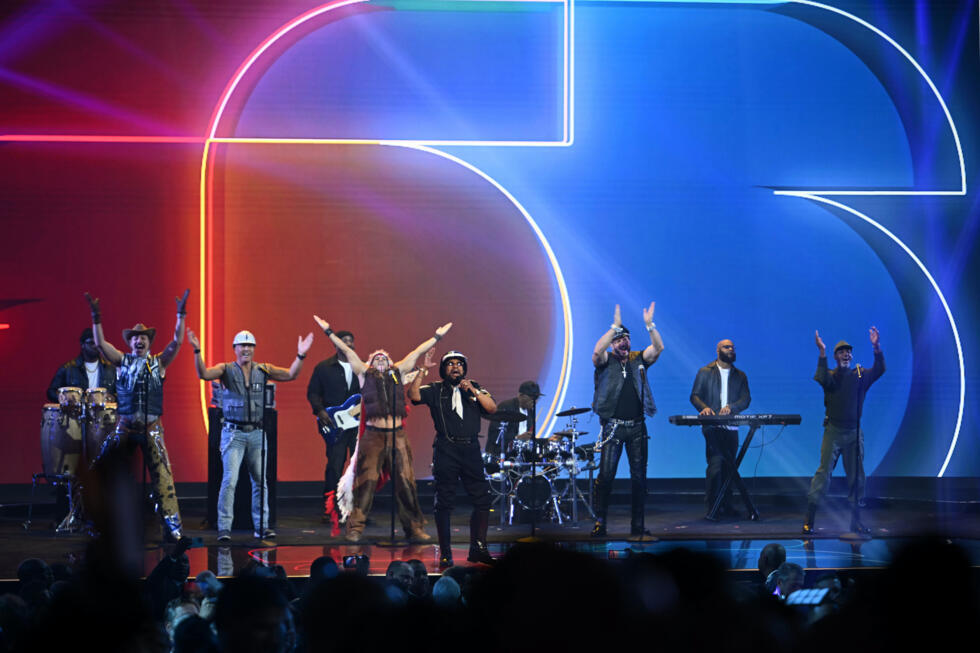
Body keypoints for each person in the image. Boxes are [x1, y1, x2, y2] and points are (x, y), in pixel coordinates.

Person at [313, 315, 449, 543]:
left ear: (390, 362)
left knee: (406, 482)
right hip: (373, 437)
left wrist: (437, 336)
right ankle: (355, 528)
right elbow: (347, 351)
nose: (381, 360)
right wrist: (328, 332)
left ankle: (414, 529)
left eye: (384, 358)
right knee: (365, 483)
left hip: (397, 437)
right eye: (376, 358)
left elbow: (417, 352)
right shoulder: (364, 374)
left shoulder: (398, 373)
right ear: (370, 363)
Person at [187, 328, 313, 541]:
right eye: (242, 345)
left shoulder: (263, 369)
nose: (246, 349)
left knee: (260, 482)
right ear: (235, 348)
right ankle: (224, 528)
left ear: (254, 349)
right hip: (233, 434)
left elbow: (291, 374)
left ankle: (262, 527)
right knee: (229, 481)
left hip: (256, 433)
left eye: (250, 345)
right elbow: (204, 374)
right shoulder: (225, 369)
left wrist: (301, 355)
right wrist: (197, 350)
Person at [84, 290, 188, 540]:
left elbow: (177, 342)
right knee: (107, 471)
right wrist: (96, 316)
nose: (139, 341)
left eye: (143, 338)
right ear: (130, 342)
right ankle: (101, 523)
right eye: (135, 338)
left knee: (163, 476)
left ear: (149, 342)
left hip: (152, 427)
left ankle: (172, 527)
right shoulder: (122, 361)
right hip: (126, 427)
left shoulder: (159, 363)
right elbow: (100, 344)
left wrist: (180, 315)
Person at [409, 350, 497, 568]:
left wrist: (474, 391)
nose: (455, 367)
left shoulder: (474, 387)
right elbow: (414, 396)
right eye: (450, 364)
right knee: (444, 502)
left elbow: (492, 408)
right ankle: (446, 553)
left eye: (459, 364)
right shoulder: (435, 389)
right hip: (446, 449)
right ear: (443, 369)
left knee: (482, 500)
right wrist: (421, 371)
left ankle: (479, 548)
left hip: (471, 449)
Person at [590, 303, 663, 537]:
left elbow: (658, 347)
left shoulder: (638, 359)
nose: (624, 342)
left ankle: (638, 525)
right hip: (613, 428)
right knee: (606, 477)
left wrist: (650, 324)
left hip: (637, 428)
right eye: (619, 339)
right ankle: (600, 523)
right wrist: (614, 327)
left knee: (639, 478)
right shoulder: (605, 361)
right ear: (613, 344)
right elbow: (596, 351)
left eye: (627, 338)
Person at [803, 328, 884, 535]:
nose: (846, 354)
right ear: (835, 356)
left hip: (854, 432)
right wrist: (821, 352)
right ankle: (809, 520)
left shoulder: (860, 374)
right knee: (823, 474)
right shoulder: (831, 376)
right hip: (834, 430)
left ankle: (855, 521)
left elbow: (879, 370)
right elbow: (820, 378)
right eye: (841, 352)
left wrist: (876, 347)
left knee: (857, 477)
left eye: (848, 352)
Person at [305, 329, 360, 533]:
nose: (348, 345)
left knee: (357, 467)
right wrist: (320, 411)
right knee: (335, 466)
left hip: (357, 426)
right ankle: (331, 508)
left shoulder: (361, 368)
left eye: (351, 341)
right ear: (336, 345)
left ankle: (356, 508)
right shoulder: (323, 368)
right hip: (334, 425)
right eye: (343, 341)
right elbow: (312, 393)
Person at [689, 339, 751, 520]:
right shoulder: (705, 372)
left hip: (731, 427)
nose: (731, 349)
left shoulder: (741, 375)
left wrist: (732, 407)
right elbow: (694, 396)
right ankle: (712, 507)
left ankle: (727, 506)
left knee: (730, 467)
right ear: (718, 351)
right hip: (712, 426)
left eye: (733, 347)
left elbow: (746, 399)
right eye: (726, 347)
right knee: (716, 465)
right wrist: (704, 408)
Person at [46, 328, 117, 403]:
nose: (96, 346)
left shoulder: (111, 369)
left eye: (98, 343)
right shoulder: (68, 368)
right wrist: (64, 397)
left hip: (103, 413)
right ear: (82, 344)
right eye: (91, 343)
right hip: (76, 413)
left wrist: (113, 397)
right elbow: (51, 392)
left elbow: (123, 393)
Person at [484, 380, 542, 458]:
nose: (535, 401)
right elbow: (495, 435)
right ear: (520, 395)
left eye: (537, 398)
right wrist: (517, 438)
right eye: (532, 398)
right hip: (500, 454)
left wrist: (547, 441)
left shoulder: (530, 412)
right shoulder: (506, 406)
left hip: (519, 456)